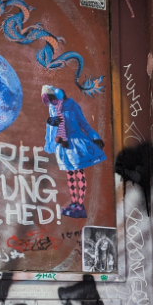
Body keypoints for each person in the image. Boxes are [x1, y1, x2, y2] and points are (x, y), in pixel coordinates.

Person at [41, 85, 106, 219]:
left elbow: (84, 124)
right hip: (63, 147)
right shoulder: (53, 108)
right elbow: (53, 131)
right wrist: (51, 123)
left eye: (52, 98)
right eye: (49, 100)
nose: (51, 102)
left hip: (76, 145)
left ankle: (80, 205)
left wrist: (95, 137)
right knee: (70, 175)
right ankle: (74, 203)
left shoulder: (72, 106)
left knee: (78, 173)